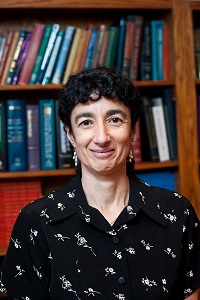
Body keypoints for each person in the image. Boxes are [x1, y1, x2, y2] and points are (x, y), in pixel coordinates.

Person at [0, 66, 200, 300]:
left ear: (133, 130)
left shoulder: (178, 213)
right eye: (86, 122)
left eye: (114, 119)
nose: (102, 137)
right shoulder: (35, 222)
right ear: (70, 135)